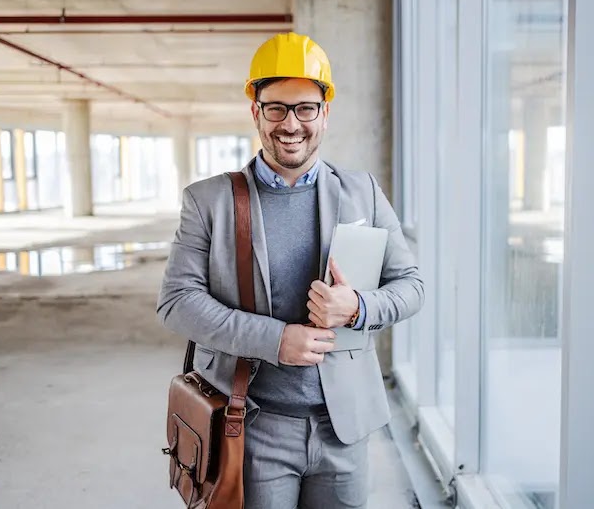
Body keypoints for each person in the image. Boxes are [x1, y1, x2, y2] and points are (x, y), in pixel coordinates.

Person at [156, 32, 424, 509]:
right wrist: (275, 339)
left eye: (305, 108)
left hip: (344, 428)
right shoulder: (210, 201)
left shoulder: (363, 191)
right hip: (255, 423)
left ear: (325, 113)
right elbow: (178, 302)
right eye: (276, 108)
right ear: (255, 111)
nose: (291, 124)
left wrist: (360, 306)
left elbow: (412, 286)